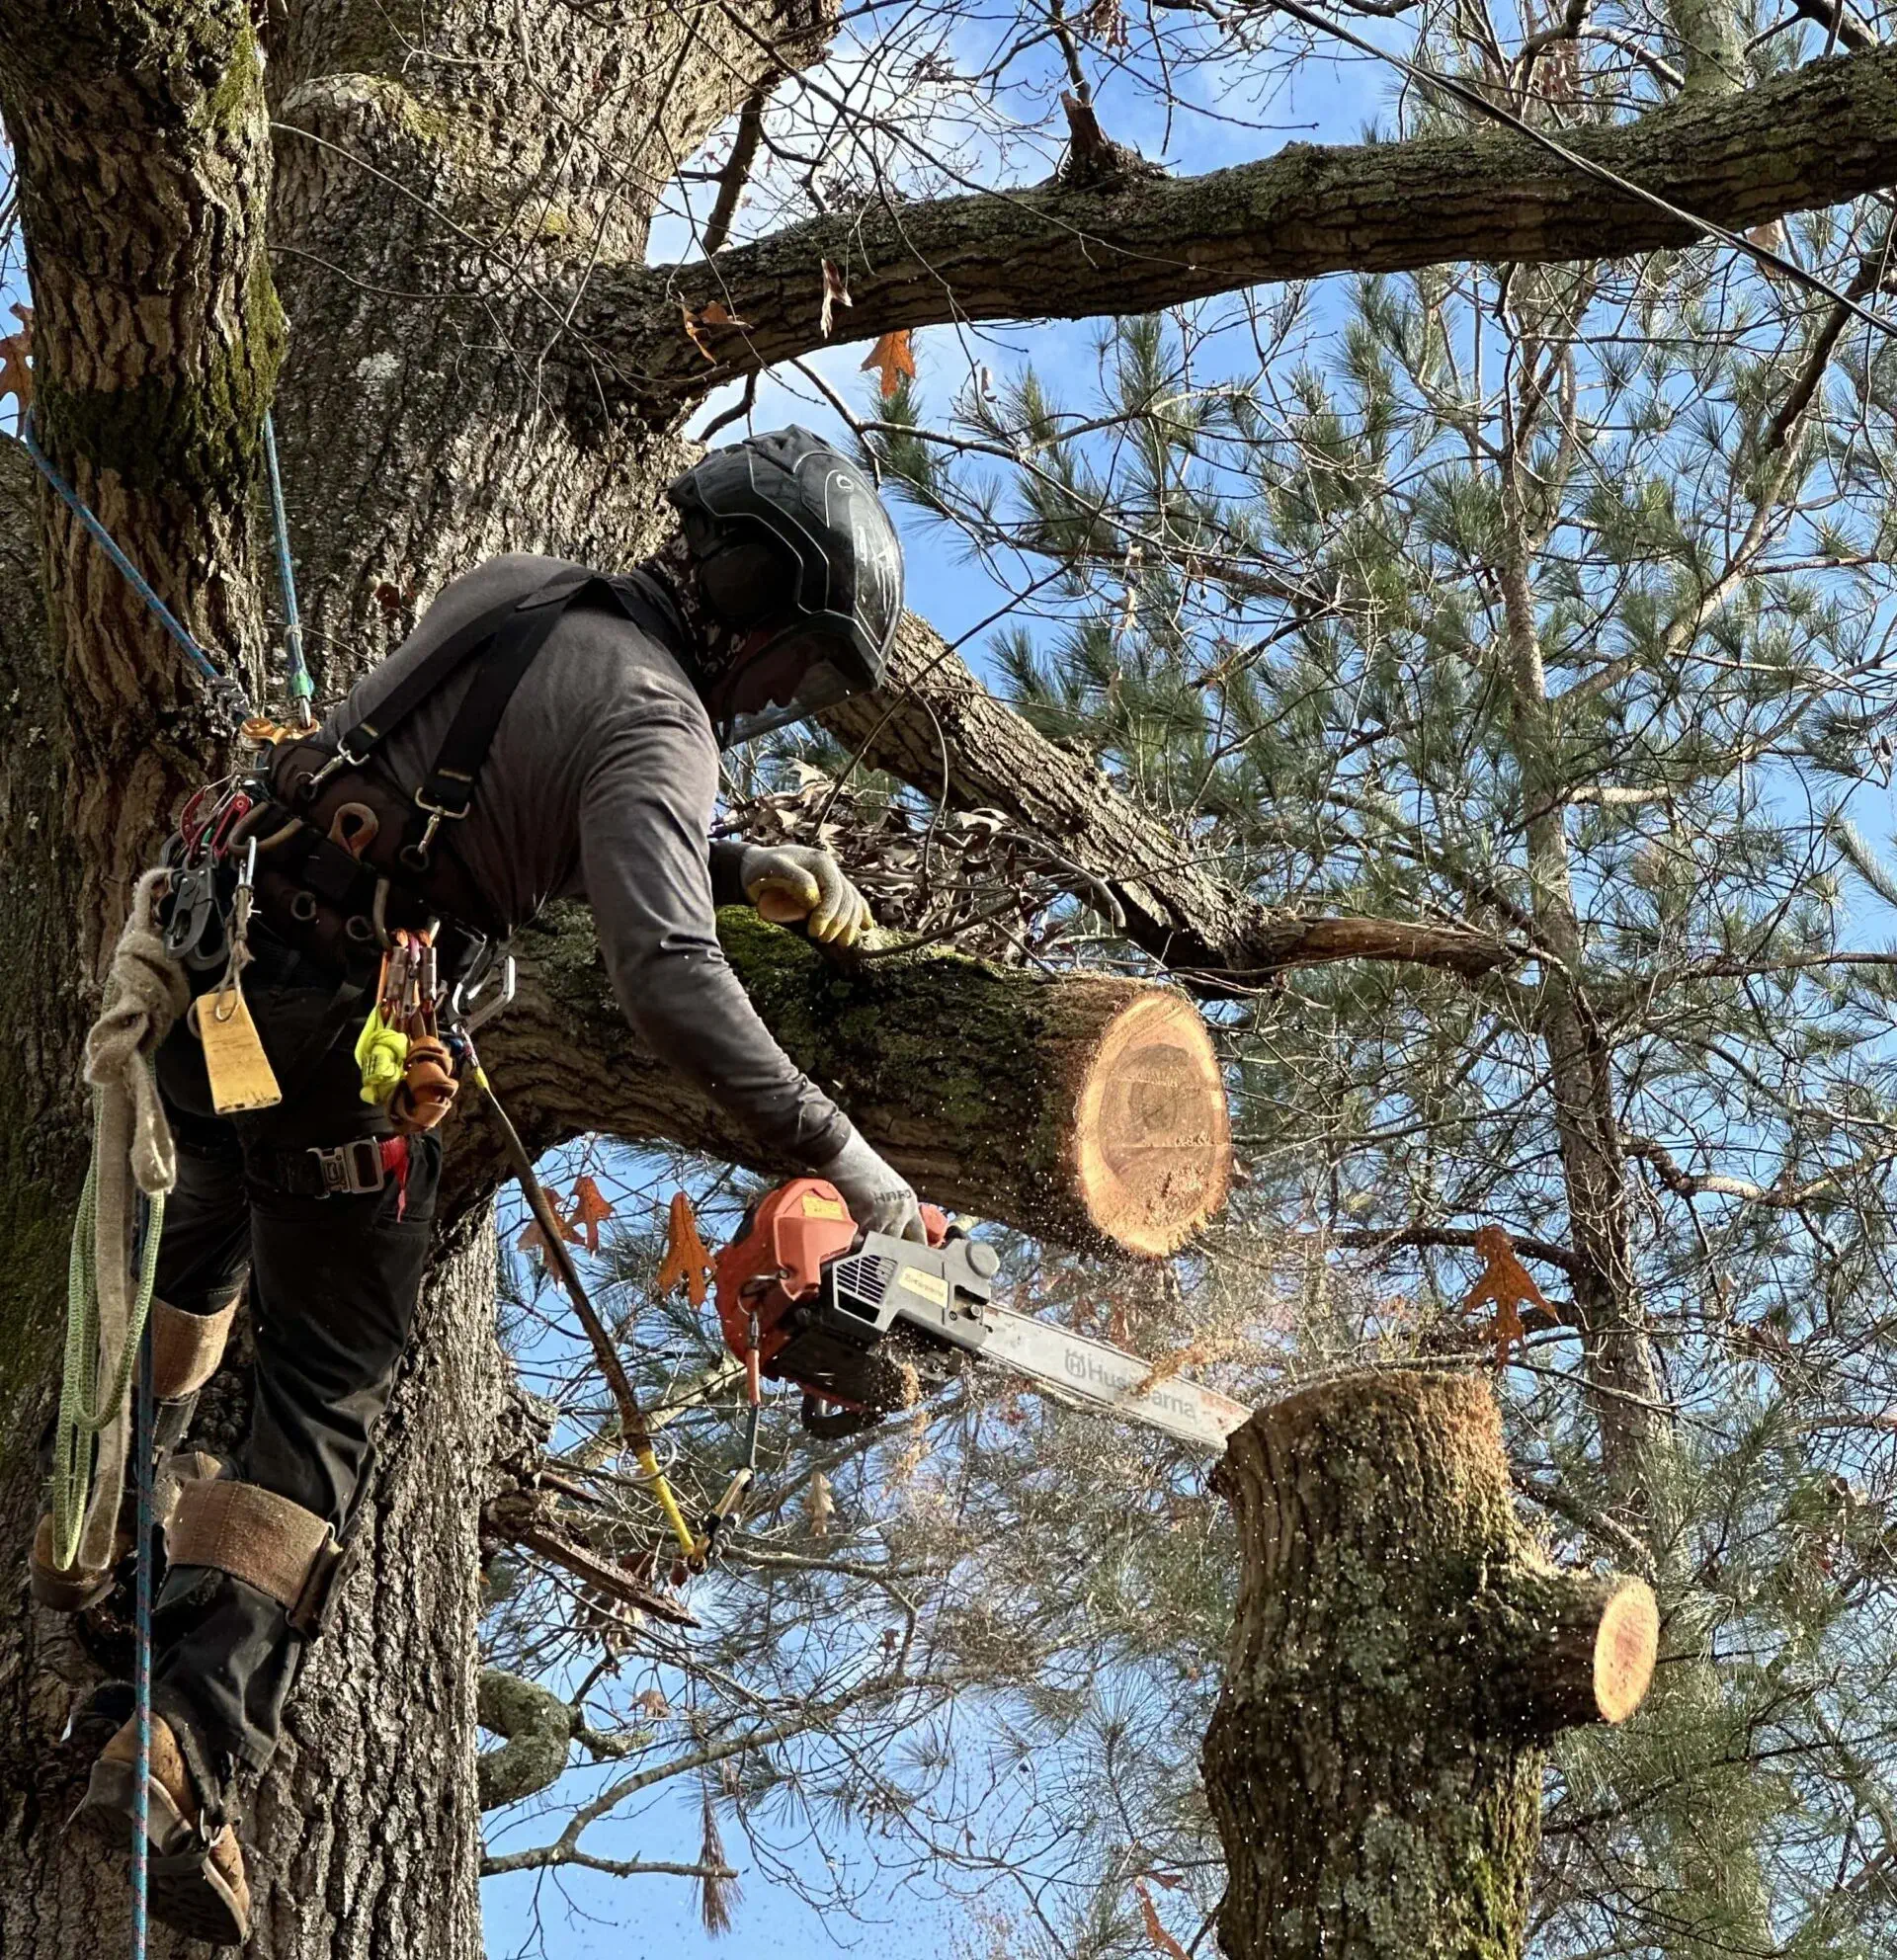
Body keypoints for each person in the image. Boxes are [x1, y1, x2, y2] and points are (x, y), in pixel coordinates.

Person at [39, 427, 924, 1942]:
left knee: (206, 1240)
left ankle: (115, 1522)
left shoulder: (528, 589)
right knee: (326, 1385)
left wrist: (727, 857)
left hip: (224, 977)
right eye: (791, 668)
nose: (779, 701)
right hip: (329, 1039)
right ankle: (177, 1752)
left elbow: (496, 765)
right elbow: (664, 983)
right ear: (747, 600)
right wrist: (848, 1158)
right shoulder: (663, 723)